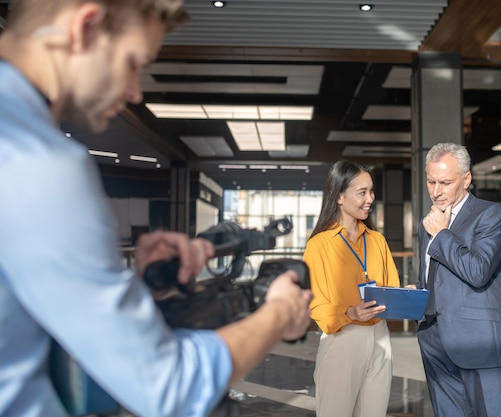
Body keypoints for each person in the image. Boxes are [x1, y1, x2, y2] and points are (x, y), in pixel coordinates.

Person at [0, 1, 312, 416]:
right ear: (85, 27)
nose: (135, 91)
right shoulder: (40, 160)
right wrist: (278, 313)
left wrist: (136, 291)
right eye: (133, 63)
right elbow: (168, 389)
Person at [416, 142, 501, 416]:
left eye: (445, 183)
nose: (436, 191)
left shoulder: (491, 215)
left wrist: (441, 235)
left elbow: (478, 271)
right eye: (431, 181)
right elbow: (433, 277)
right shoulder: (428, 222)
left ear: (466, 179)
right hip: (434, 339)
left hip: (479, 340)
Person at [303, 160, 400, 417]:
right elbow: (315, 304)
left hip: (380, 337)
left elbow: (391, 287)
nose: (370, 198)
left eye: (371, 191)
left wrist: (404, 295)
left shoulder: (377, 240)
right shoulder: (320, 245)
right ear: (339, 197)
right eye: (362, 192)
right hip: (343, 339)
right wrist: (349, 313)